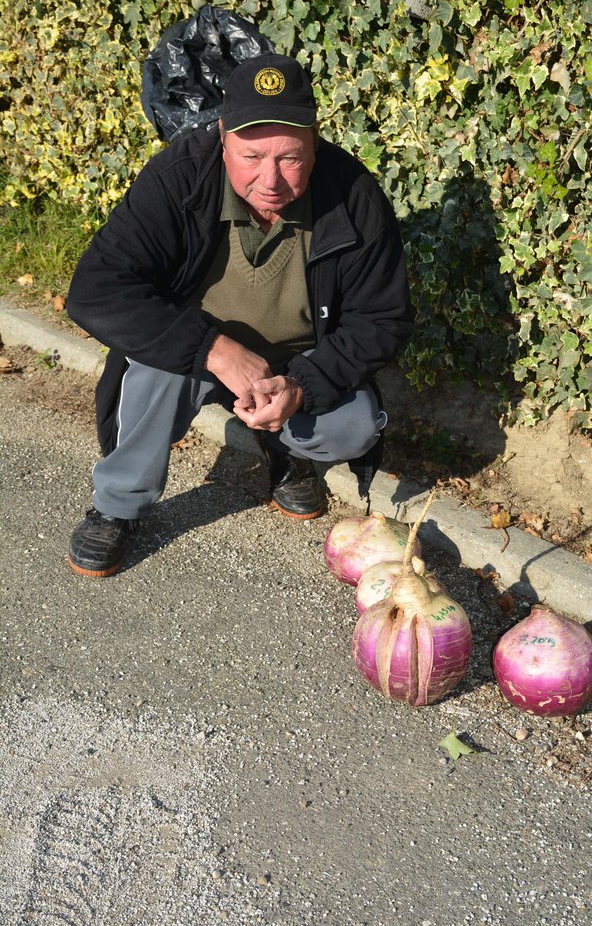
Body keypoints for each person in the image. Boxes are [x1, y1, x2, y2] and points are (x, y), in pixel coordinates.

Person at [65, 52, 413, 577]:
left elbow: (382, 318)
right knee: (153, 368)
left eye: (290, 157)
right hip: (196, 350)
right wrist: (212, 349)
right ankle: (118, 505)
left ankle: (286, 451)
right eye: (251, 156)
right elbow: (95, 289)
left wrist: (302, 386)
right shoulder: (178, 177)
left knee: (354, 425)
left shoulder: (354, 194)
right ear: (222, 135)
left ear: (314, 142)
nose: (270, 179)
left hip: (296, 360)